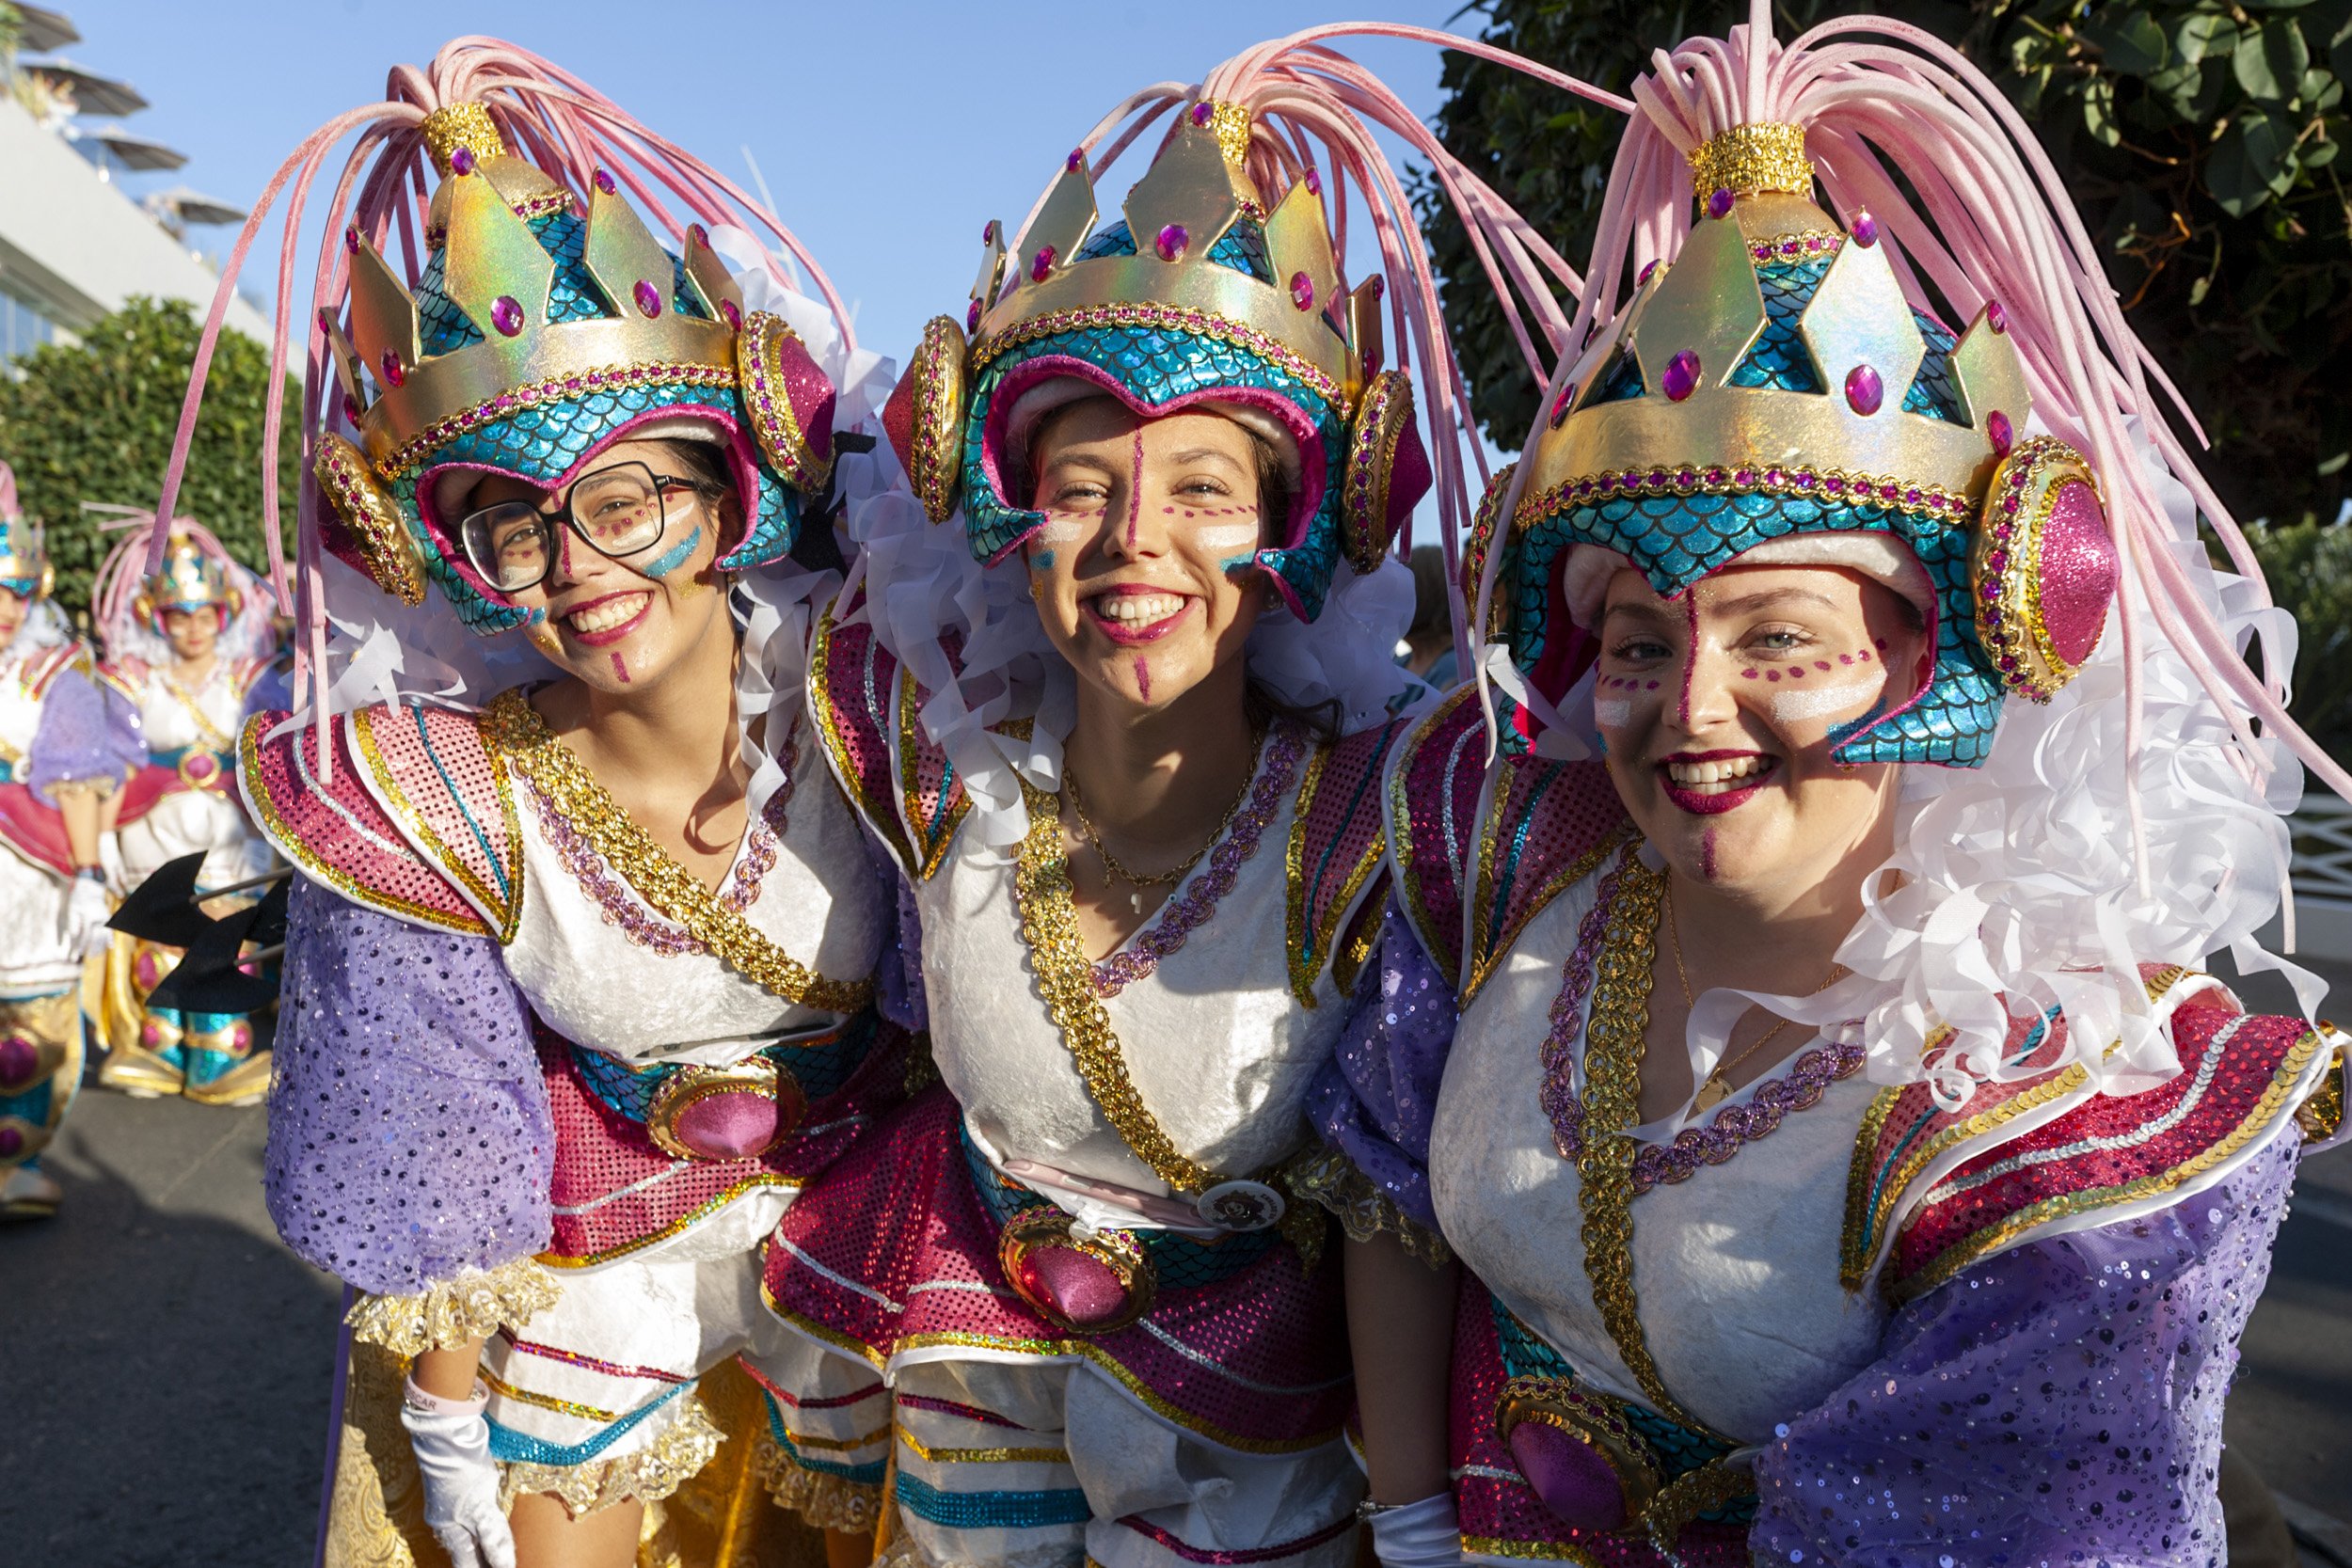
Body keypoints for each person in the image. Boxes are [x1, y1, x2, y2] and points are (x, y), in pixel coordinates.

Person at [1311, 7, 2351, 1564]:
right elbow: (1386, 1189)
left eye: (1781, 636)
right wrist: (1400, 1527)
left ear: (1955, 647)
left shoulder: (2053, 1095)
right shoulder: (1515, 861)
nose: (1690, 710)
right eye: (1641, 640)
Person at [755, 30, 1597, 1565]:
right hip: (972, 1369)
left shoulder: (1383, 817)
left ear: (1294, 528)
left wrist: (1410, 1519)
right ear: (1009, 517)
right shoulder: (929, 756)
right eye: (1083, 489)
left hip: (1250, 1432)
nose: (1136, 541)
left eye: (1204, 491)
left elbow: (1385, 1196)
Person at [152, 39, 903, 1568]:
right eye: (517, 529)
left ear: (726, 495)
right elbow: (429, 1130)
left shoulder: (889, 704)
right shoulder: (440, 791)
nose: (582, 568)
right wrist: (445, 1428)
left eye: (624, 500)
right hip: (598, 1251)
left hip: (877, 1231)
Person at [88, 520, 283, 1104]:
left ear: (221, 617)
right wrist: (98, 847)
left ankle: (217, 1058)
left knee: (225, 935)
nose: (192, 629)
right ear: (158, 617)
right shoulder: (134, 680)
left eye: (203, 616)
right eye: (179, 616)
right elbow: (112, 763)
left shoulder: (250, 679)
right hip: (155, 830)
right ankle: (158, 1048)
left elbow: (268, 751)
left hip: (227, 833)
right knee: (159, 939)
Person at [0, 462, 140, 1219]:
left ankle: (8, 1161)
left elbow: (81, 781)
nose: (0, 607)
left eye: (11, 592)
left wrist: (90, 874)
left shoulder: (53, 675)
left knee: (27, 1038)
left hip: (28, 883)